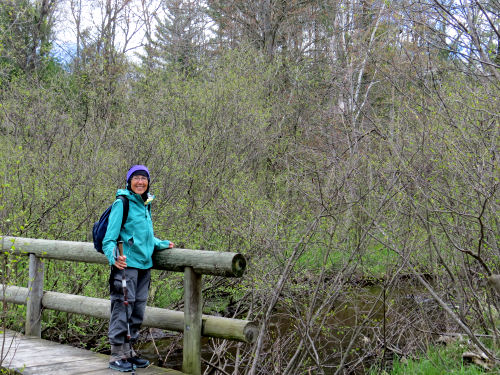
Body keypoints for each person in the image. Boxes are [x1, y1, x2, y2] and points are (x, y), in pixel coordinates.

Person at [102, 165, 174, 372]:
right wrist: (114, 258)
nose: (140, 182)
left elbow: (142, 236)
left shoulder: (145, 204)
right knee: (122, 307)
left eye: (144, 178)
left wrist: (160, 244)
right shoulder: (122, 203)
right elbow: (109, 239)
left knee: (137, 309)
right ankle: (117, 354)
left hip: (144, 265)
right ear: (129, 181)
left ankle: (129, 351)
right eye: (136, 178)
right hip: (126, 266)